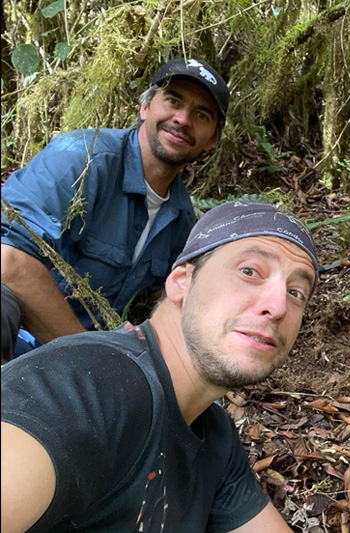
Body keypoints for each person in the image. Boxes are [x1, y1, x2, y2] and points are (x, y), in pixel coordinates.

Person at [1, 199, 318, 532]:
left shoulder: (213, 436)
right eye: (250, 271)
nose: (279, 305)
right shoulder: (89, 388)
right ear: (181, 280)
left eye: (296, 292)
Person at [1, 57, 230, 362]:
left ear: (211, 142)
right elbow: (9, 261)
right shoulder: (81, 159)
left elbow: (161, 303)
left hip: (79, 365)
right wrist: (86, 357)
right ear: (145, 107)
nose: (183, 119)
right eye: (173, 100)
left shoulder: (181, 219)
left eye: (202, 115)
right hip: (24, 338)